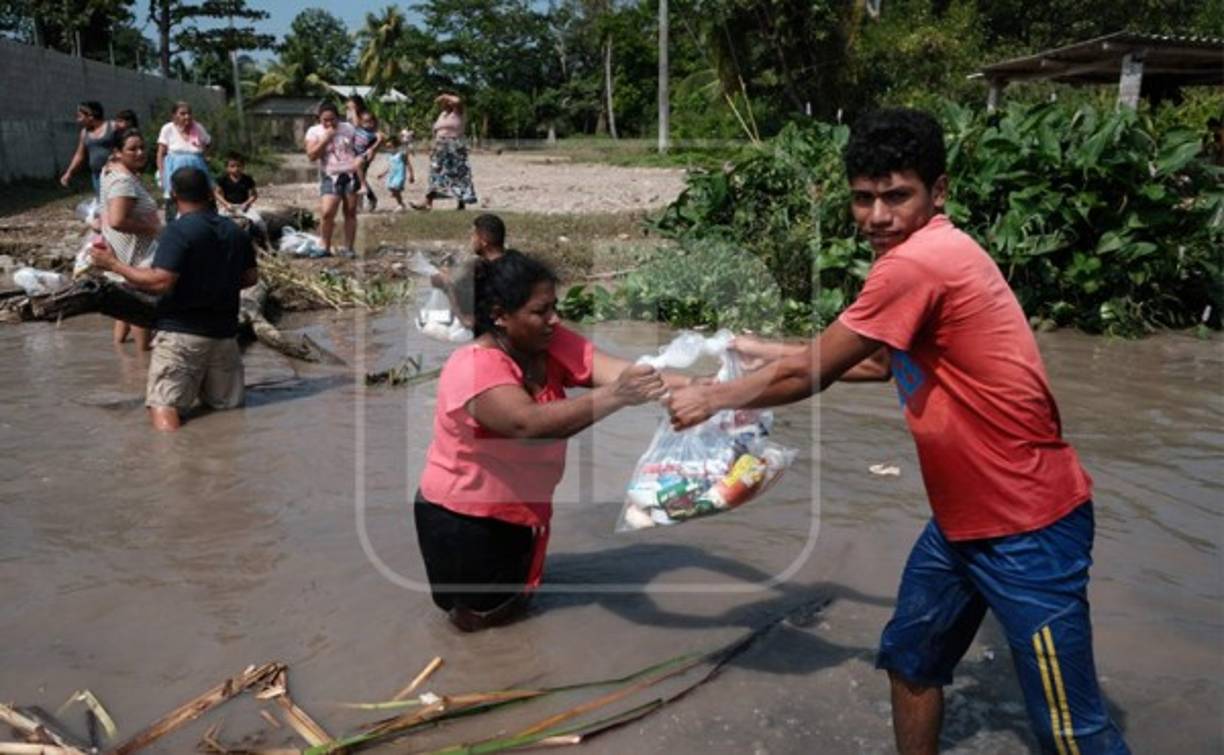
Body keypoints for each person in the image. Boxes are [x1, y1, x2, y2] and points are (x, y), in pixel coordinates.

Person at [667, 108, 1129, 755]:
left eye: (896, 196)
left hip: (1027, 528)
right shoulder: (930, 253)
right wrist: (758, 348)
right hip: (961, 524)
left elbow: (811, 374)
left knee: (1073, 731)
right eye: (864, 198)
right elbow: (879, 361)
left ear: (938, 191)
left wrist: (710, 397)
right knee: (910, 659)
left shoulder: (918, 262)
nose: (878, 216)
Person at [416, 251, 697, 631]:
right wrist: (616, 396)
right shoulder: (474, 366)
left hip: (519, 510)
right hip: (465, 519)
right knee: (482, 626)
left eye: (555, 307)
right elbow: (526, 426)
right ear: (500, 315)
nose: (555, 319)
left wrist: (705, 388)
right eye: (541, 311)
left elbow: (622, 373)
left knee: (513, 611)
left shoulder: (547, 343)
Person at [88, 167, 258, 432]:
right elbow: (250, 278)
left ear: (174, 195)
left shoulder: (178, 231)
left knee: (164, 405)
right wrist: (213, 283)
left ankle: (173, 457)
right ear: (210, 193)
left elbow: (160, 281)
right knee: (227, 414)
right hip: (224, 337)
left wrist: (113, 264)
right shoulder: (235, 231)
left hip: (182, 335)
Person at [98, 128, 162, 349]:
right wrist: (153, 228)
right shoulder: (123, 181)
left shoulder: (110, 171)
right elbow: (117, 220)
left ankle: (122, 356)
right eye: (132, 149)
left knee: (125, 304)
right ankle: (142, 361)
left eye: (142, 147)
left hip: (121, 250)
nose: (140, 153)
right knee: (140, 306)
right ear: (117, 152)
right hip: (134, 255)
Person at [304, 101, 360, 256]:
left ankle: (349, 248)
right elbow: (311, 155)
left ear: (338, 117)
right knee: (327, 212)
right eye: (325, 120)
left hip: (350, 174)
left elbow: (361, 145)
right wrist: (325, 139)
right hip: (330, 175)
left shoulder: (348, 128)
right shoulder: (314, 132)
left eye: (332, 119)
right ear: (319, 119)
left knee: (350, 211)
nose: (329, 123)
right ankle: (325, 246)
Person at [412, 93, 477, 211]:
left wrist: (445, 95)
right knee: (435, 174)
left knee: (459, 174)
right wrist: (433, 148)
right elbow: (436, 132)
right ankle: (428, 202)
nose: (445, 104)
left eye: (447, 102)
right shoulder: (442, 115)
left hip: (455, 146)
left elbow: (458, 101)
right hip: (440, 146)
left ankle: (461, 203)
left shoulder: (458, 112)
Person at [156, 101, 211, 222]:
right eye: (182, 113)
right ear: (174, 115)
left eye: (189, 113)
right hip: (175, 171)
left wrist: (205, 156)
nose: (187, 116)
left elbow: (207, 143)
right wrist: (162, 173)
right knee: (175, 202)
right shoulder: (168, 128)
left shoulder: (198, 127)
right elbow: (160, 154)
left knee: (201, 201)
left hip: (197, 169)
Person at [60, 101, 118, 196]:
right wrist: (69, 173)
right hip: (97, 176)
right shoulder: (84, 133)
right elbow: (79, 155)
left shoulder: (112, 126)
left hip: (115, 173)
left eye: (80, 116)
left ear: (90, 116)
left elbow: (126, 145)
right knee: (102, 201)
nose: (78, 120)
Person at [353, 109, 385, 212]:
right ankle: (369, 199)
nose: (368, 124)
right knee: (356, 179)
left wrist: (374, 147)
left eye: (370, 121)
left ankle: (360, 204)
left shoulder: (374, 134)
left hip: (364, 157)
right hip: (354, 156)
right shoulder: (358, 130)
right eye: (365, 122)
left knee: (358, 179)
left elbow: (379, 142)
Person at [376, 130, 415, 211]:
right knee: (391, 188)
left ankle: (400, 204)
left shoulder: (401, 153)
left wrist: (411, 175)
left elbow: (408, 164)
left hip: (399, 174)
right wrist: (382, 174)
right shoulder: (390, 155)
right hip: (392, 175)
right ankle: (399, 200)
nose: (387, 146)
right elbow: (390, 166)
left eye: (389, 144)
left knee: (395, 188)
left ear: (394, 144)